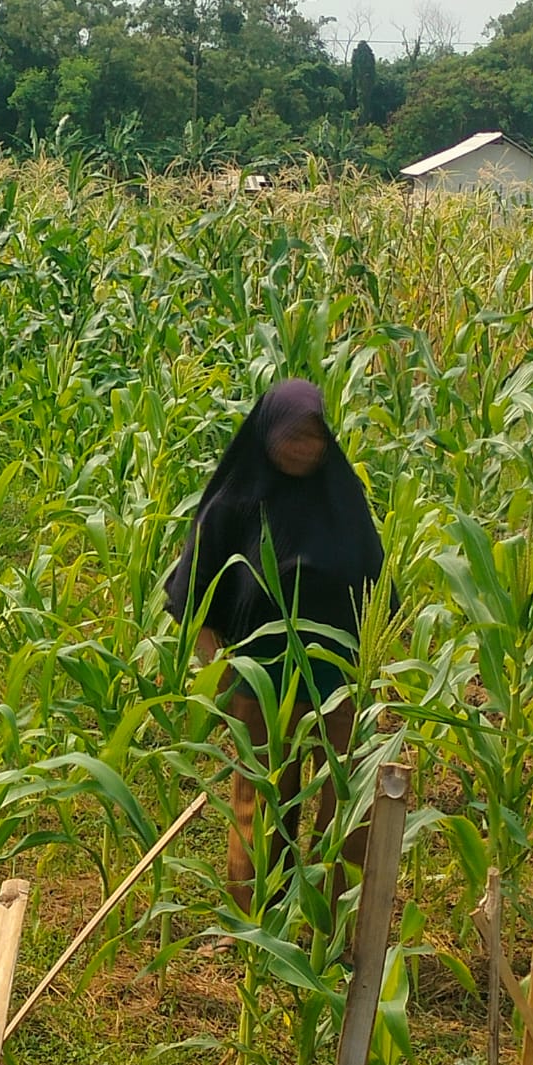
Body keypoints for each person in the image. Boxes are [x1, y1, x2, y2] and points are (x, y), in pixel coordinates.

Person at [163, 379, 387, 919]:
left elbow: (377, 583)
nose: (303, 448)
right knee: (261, 803)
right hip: (262, 680)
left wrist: (377, 669)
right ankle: (256, 922)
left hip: (338, 680)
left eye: (313, 436)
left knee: (350, 801)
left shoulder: (341, 498)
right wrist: (219, 671)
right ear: (266, 434)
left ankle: (333, 924)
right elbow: (194, 595)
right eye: (292, 436)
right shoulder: (236, 499)